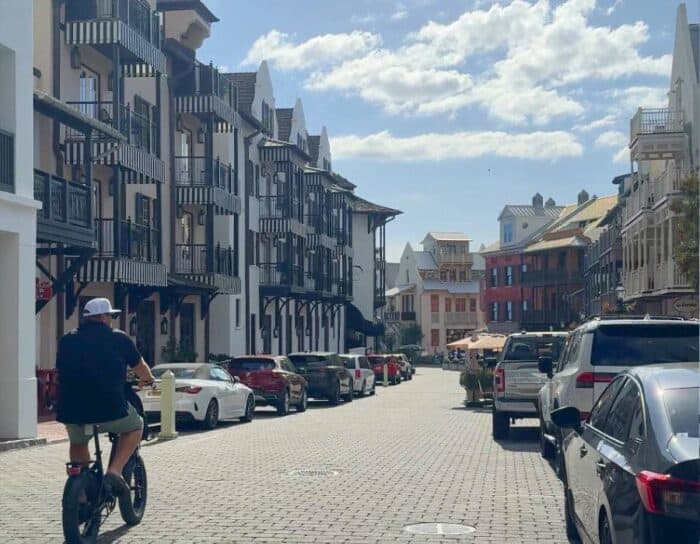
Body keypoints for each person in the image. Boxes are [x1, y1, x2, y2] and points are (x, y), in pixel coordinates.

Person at [56, 297, 155, 496]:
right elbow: (140, 367)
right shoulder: (118, 338)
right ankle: (115, 471)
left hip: (72, 409)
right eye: (110, 315)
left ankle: (81, 494)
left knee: (78, 442)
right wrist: (149, 379)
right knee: (136, 425)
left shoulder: (67, 340)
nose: (111, 319)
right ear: (102, 317)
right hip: (110, 409)